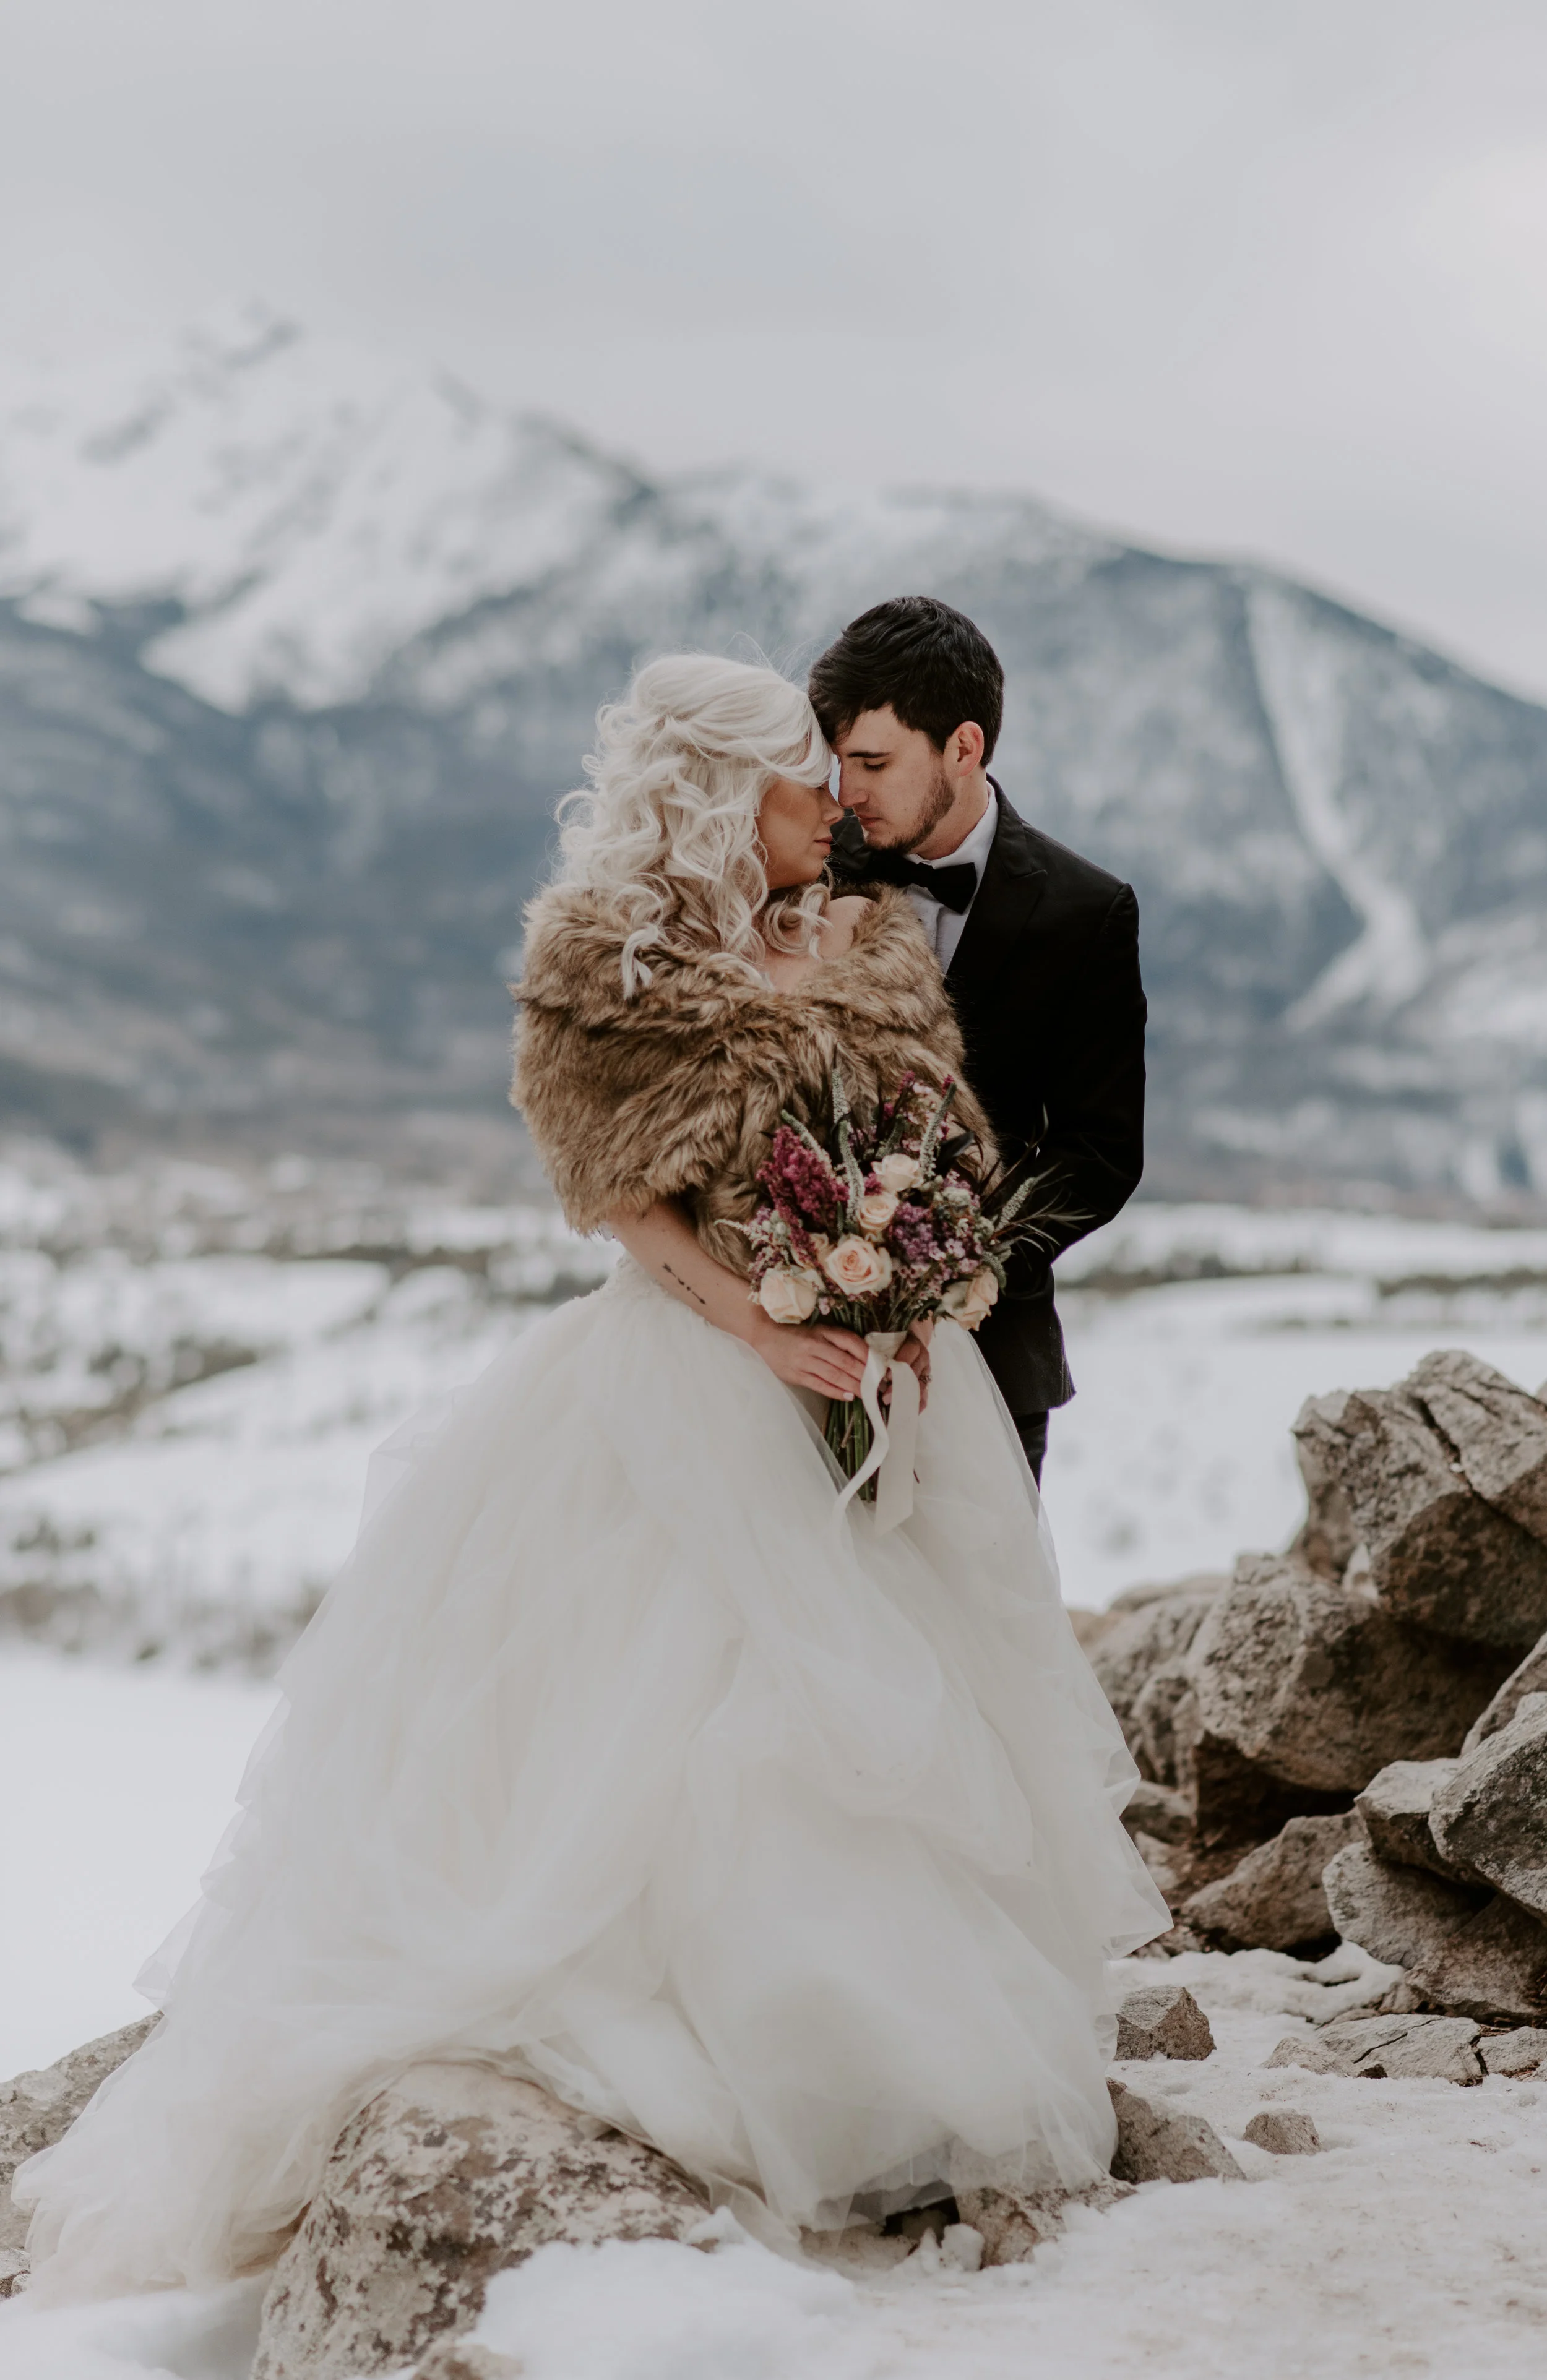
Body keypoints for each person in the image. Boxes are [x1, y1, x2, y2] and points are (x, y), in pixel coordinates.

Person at [15, 656, 1164, 2304]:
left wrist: (906, 1289)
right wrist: (757, 1321)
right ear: (726, 795)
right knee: (685, 1721)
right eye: (805, 777)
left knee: (893, 1709)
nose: (834, 807)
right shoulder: (605, 957)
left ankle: (900, 2067)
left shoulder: (864, 934)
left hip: (880, 1388)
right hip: (687, 1378)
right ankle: (713, 2060)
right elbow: (612, 1190)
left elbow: (935, 1146)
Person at [812, 597, 1147, 1484]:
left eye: (873, 762)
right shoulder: (805, 868)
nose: (846, 793)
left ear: (964, 747)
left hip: (993, 1362)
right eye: (837, 763)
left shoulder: (1088, 911)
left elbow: (1100, 1153)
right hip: (805, 1352)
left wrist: (946, 1270)